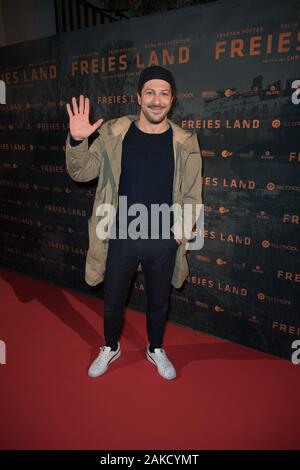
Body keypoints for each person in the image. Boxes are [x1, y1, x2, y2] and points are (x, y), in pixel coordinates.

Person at [65, 65, 202, 380]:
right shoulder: (115, 133)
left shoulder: (185, 142)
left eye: (164, 93)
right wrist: (76, 140)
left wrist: (177, 236)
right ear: (139, 97)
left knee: (158, 304)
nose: (157, 100)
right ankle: (110, 346)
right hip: (119, 237)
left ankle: (156, 348)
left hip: (163, 239)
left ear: (172, 98)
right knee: (113, 302)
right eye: (150, 92)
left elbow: (193, 196)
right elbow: (81, 172)